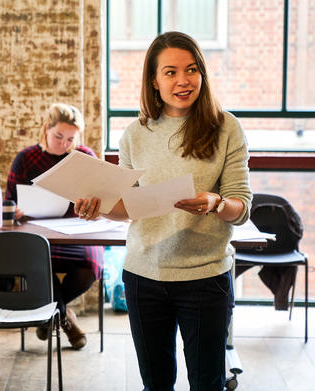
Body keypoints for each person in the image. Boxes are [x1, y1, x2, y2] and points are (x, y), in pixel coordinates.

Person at [75, 31, 252, 390]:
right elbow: (129, 207)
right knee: (156, 384)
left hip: (204, 278)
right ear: (154, 82)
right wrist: (99, 208)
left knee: (207, 383)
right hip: (144, 278)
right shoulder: (133, 134)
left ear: (202, 73)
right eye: (170, 72)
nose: (183, 81)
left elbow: (242, 207)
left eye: (191, 70)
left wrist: (215, 203)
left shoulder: (226, 128)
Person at [5, 103, 104, 350]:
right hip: (37, 233)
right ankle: (64, 318)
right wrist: (15, 210)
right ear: (46, 129)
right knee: (38, 264)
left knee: (90, 267)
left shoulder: (84, 157)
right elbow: (8, 200)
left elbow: (101, 196)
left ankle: (51, 313)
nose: (63, 144)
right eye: (58, 136)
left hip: (77, 232)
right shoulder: (26, 158)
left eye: (70, 138)